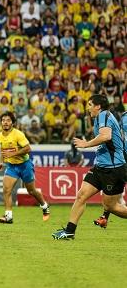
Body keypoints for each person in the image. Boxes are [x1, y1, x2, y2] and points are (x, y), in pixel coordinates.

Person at [52, 99, 127, 239]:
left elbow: (106, 136)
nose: (88, 108)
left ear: (98, 106)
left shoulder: (104, 114)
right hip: (100, 167)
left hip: (114, 169)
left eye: (90, 105)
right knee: (81, 195)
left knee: (111, 206)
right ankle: (69, 231)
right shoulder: (100, 118)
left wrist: (86, 144)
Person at [0, 112, 50, 224]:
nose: (5, 122)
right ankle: (8, 216)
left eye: (8, 120)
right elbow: (2, 149)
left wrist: (12, 154)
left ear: (12, 123)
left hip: (25, 165)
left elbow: (28, 148)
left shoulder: (18, 134)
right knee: (6, 190)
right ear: (1, 122)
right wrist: (0, 162)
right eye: (3, 120)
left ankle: (44, 206)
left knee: (31, 191)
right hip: (11, 166)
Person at [92, 111, 127, 228]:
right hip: (122, 156)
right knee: (114, 196)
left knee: (114, 198)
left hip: (121, 157)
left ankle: (104, 217)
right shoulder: (122, 116)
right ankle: (104, 217)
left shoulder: (123, 116)